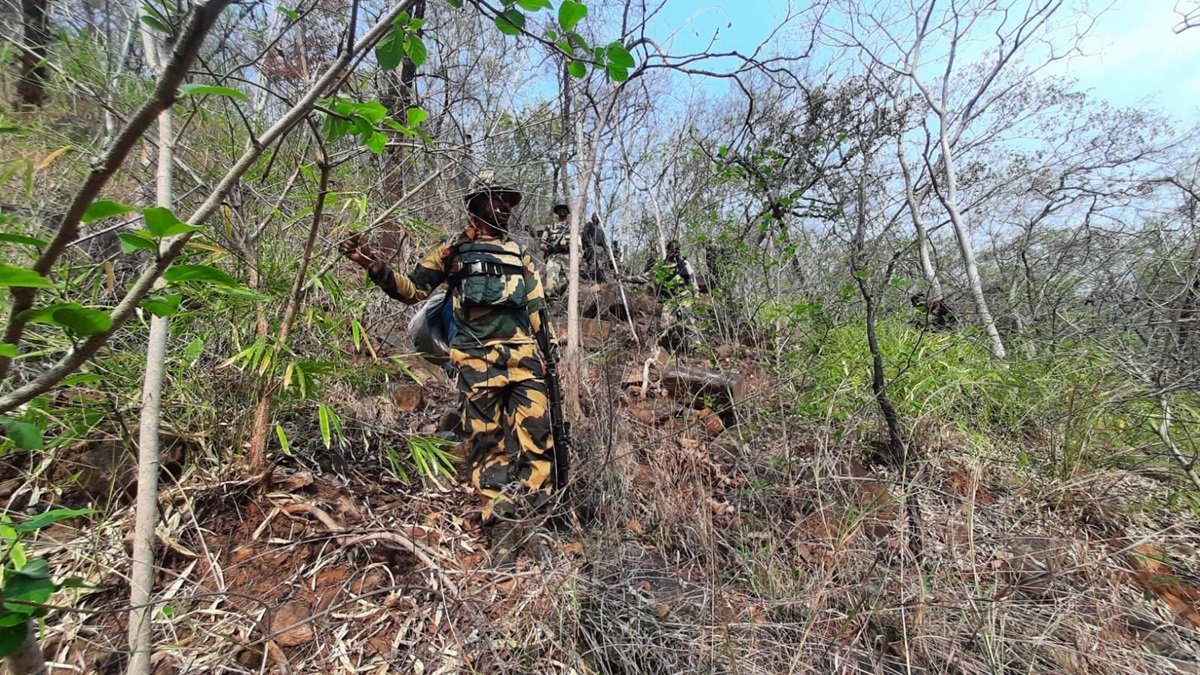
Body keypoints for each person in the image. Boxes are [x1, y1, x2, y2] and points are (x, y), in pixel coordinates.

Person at [340, 179, 558, 564]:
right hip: (476, 360)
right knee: (486, 442)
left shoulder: (518, 252)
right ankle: (502, 526)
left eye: (509, 202)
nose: (506, 207)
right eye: (497, 201)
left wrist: (550, 355)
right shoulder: (451, 249)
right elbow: (411, 289)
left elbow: (537, 309)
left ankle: (534, 519)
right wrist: (367, 261)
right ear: (475, 205)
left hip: (524, 360)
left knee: (538, 440)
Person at [627, 239, 699, 350]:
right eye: (672, 250)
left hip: (684, 296)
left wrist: (696, 296)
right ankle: (668, 348)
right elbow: (645, 277)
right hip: (669, 299)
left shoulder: (685, 264)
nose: (674, 253)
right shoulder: (660, 265)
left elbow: (693, 281)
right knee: (664, 324)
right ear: (668, 250)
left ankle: (696, 347)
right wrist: (627, 279)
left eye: (677, 250)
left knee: (688, 320)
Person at [539, 203, 573, 300]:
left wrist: (578, 257)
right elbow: (542, 242)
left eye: (564, 209)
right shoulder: (550, 227)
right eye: (559, 209)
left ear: (568, 212)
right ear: (557, 212)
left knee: (571, 279)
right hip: (553, 256)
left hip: (568, 256)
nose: (562, 211)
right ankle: (552, 300)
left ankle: (567, 301)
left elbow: (578, 244)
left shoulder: (572, 227)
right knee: (551, 281)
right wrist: (544, 247)